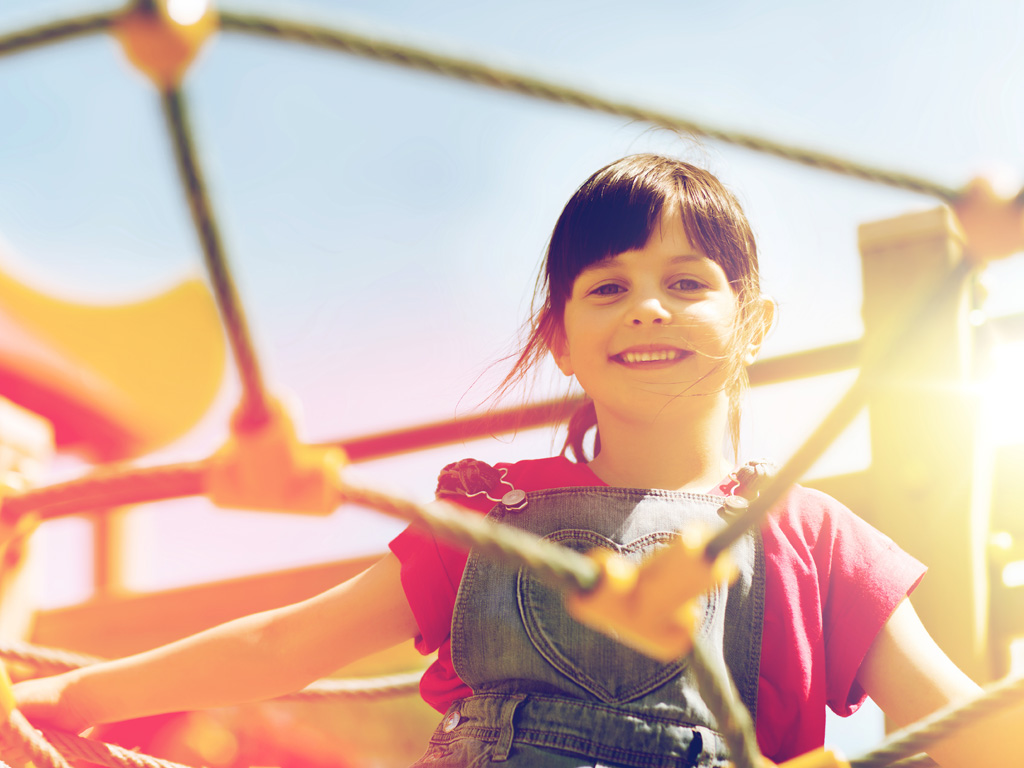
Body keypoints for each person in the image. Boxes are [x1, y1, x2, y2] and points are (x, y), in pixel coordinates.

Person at [11, 155, 1022, 767]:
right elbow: (285, 643)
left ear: (754, 325)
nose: (648, 306)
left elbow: (959, 722)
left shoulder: (814, 541)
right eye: (607, 285)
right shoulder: (493, 520)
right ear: (558, 333)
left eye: (687, 280)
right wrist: (73, 696)